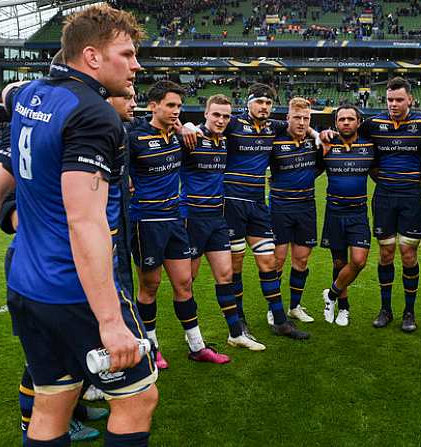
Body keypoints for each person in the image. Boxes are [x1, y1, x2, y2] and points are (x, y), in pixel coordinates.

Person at [0, 5, 162, 446]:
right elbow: (83, 220)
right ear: (91, 56)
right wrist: (109, 321)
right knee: (136, 399)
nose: (136, 65)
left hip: (27, 285)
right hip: (74, 290)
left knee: (52, 400)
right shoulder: (94, 115)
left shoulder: (31, 96)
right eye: (126, 54)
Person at [322, 77, 421, 332]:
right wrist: (325, 133)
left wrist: (416, 178)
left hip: (411, 198)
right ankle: (385, 309)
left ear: (410, 99)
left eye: (399, 100)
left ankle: (409, 312)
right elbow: (349, 138)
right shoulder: (373, 124)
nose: (394, 104)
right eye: (389, 100)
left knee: (408, 254)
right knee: (386, 254)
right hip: (383, 198)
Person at [129, 80, 230, 366]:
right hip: (146, 221)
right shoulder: (135, 137)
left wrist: (184, 125)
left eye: (179, 106)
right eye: (171, 105)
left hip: (176, 220)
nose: (176, 111)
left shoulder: (181, 136)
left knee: (184, 283)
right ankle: (151, 347)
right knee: (150, 285)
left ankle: (197, 346)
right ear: (153, 106)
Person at [221, 83, 310, 340]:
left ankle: (280, 321)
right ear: (248, 103)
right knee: (235, 264)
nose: (264, 107)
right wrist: (190, 127)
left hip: (259, 205)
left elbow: (298, 125)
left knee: (268, 262)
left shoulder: (274, 127)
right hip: (232, 204)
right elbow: (207, 127)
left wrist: (318, 134)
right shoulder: (234, 125)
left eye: (268, 103)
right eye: (259, 102)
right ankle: (239, 319)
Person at [180, 94, 266, 351]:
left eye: (226, 116)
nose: (220, 120)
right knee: (187, 281)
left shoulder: (226, 142)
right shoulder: (191, 139)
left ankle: (235, 333)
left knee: (226, 275)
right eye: (216, 114)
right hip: (191, 218)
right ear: (205, 114)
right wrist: (185, 126)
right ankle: (192, 336)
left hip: (218, 217)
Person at [268, 97, 322, 325]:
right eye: (297, 117)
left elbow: (320, 166)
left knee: (301, 260)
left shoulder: (314, 143)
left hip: (306, 207)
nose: (301, 122)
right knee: (277, 261)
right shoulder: (275, 140)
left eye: (306, 118)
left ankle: (295, 306)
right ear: (287, 118)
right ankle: (274, 309)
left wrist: (315, 133)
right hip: (280, 208)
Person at [320, 104, 375, 326]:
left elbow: (380, 170)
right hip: (334, 211)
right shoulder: (326, 144)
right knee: (339, 262)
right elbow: (310, 168)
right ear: (335, 123)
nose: (345, 122)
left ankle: (331, 294)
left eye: (350, 119)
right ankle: (343, 308)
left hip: (358, 212)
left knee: (359, 261)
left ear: (358, 122)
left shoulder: (370, 146)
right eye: (341, 119)